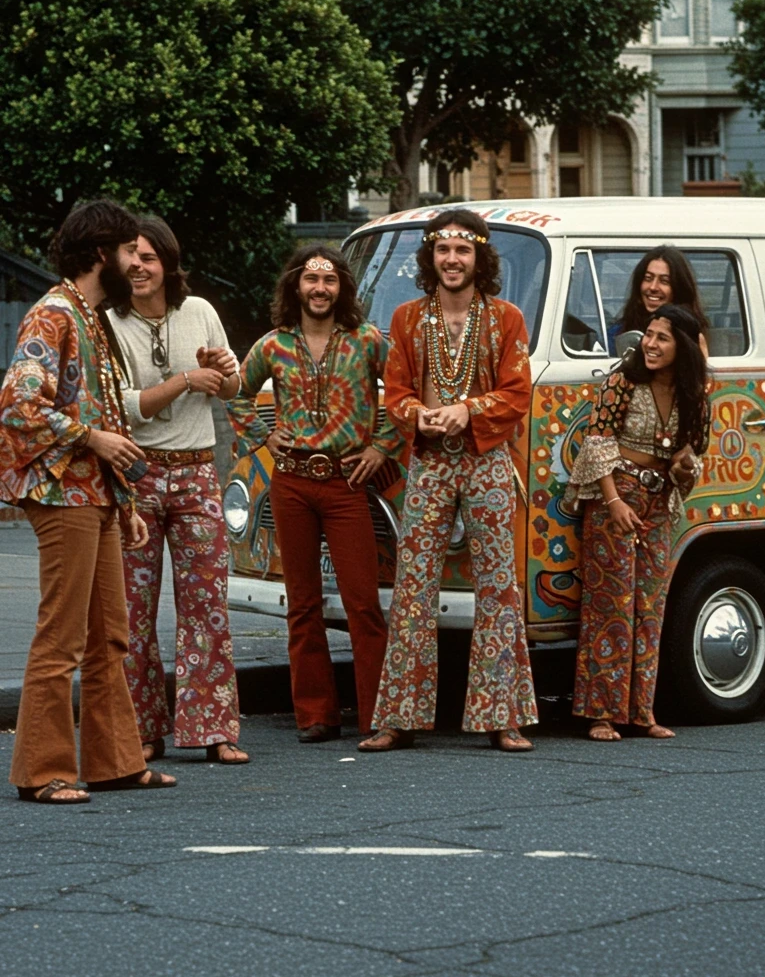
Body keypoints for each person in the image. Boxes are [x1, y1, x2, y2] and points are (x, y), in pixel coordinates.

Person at [0, 199, 176, 803]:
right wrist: (90, 438)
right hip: (62, 496)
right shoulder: (54, 314)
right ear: (102, 253)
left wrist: (124, 504)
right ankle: (42, 771)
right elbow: (18, 406)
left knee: (109, 637)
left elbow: (103, 416)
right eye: (129, 250)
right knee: (63, 635)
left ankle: (114, 762)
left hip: (94, 495)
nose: (137, 261)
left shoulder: (89, 316)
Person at [359, 209, 538, 754]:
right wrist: (419, 415)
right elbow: (395, 393)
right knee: (413, 586)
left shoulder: (506, 318)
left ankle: (502, 716)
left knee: (498, 586)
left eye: (463, 250)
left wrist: (468, 410)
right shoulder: (408, 318)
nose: (452, 259)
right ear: (430, 257)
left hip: (486, 461)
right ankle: (399, 718)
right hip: (431, 462)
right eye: (443, 250)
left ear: (479, 257)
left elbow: (518, 392)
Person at [227, 245, 402, 742]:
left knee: (363, 604)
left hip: (347, 484)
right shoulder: (273, 344)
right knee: (302, 603)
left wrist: (382, 446)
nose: (320, 289)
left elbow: (405, 392)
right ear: (296, 286)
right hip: (292, 482)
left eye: (329, 280)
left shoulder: (367, 341)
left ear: (341, 287)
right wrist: (263, 435)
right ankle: (316, 714)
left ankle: (379, 717)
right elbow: (237, 393)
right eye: (311, 280)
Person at [108, 216, 248, 765]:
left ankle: (214, 728)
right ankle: (142, 730)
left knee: (207, 605)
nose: (138, 267)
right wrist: (186, 380)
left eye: (148, 257)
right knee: (132, 610)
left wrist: (223, 370)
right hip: (137, 474)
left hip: (197, 472)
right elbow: (124, 406)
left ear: (167, 263)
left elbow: (231, 388)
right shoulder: (109, 322)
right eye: (130, 257)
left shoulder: (200, 312)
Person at [565, 304, 710, 741]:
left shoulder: (694, 394)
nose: (650, 344)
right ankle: (601, 714)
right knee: (610, 603)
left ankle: (642, 712)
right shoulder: (622, 381)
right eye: (649, 335)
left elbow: (692, 455)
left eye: (662, 338)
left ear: (682, 347)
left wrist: (685, 466)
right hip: (616, 495)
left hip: (658, 501)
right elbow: (597, 443)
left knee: (650, 605)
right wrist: (612, 502)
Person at [608, 245, 709, 359]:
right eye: (648, 278)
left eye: (664, 281)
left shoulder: (693, 335)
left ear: (679, 288)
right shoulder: (619, 332)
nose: (653, 287)